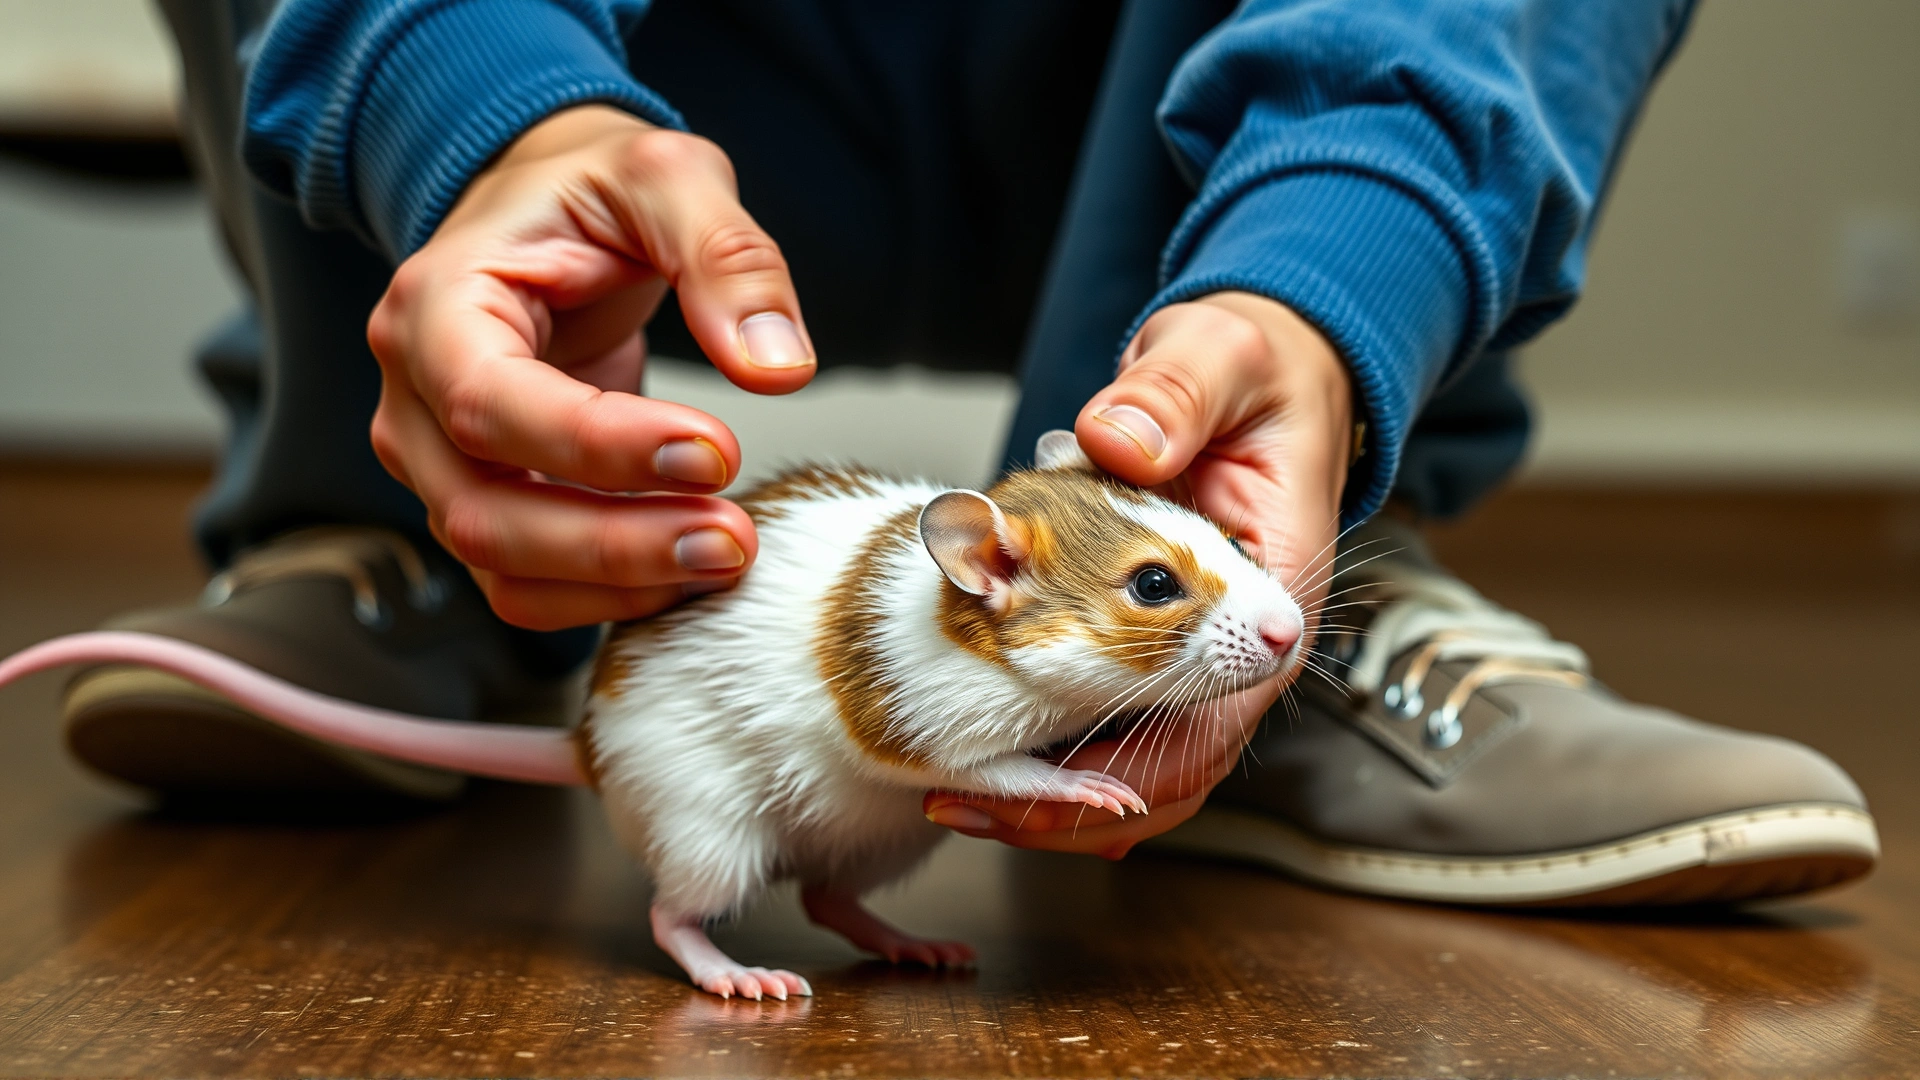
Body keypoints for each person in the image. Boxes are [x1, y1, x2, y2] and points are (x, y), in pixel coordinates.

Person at [72, 0, 1874, 904]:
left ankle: (1323, 508)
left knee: (1317, 344)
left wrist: (1340, 261)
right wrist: (473, 107)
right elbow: (898, 725)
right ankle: (377, 520)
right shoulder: (948, 619)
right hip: (644, 68)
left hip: (1164, 100)